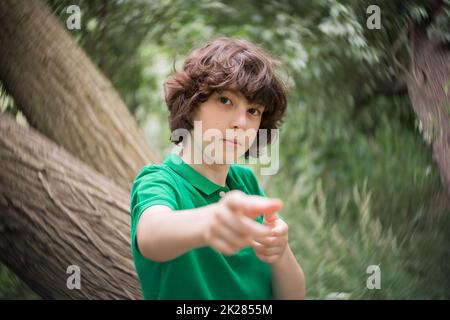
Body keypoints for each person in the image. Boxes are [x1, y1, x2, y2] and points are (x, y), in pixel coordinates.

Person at [130, 37, 305, 299]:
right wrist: (210, 221)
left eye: (254, 111)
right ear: (191, 105)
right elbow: (152, 234)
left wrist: (280, 252)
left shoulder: (245, 182)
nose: (241, 123)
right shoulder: (159, 181)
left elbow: (293, 296)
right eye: (225, 100)